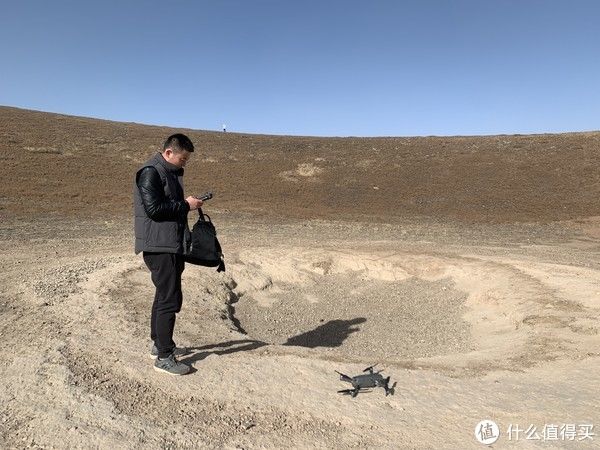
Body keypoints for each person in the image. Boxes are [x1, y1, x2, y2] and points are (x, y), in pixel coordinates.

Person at [133, 133, 203, 375]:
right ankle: (164, 356)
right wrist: (186, 205)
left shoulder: (167, 172)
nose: (185, 163)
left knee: (163, 295)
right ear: (169, 153)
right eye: (183, 159)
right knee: (169, 299)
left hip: (167, 244)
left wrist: (184, 203)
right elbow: (154, 210)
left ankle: (158, 344)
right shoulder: (151, 172)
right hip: (159, 246)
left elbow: (164, 205)